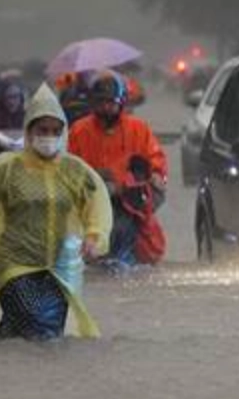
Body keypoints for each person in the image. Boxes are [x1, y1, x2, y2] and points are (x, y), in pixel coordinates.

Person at [0, 83, 111, 341]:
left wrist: (93, 237)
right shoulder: (5, 168)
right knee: (36, 318)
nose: (49, 136)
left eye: (55, 131)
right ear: (29, 131)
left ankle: (3, 351)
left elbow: (97, 207)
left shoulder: (76, 171)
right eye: (43, 130)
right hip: (14, 264)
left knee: (44, 334)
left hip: (60, 268)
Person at [68, 71, 169, 269]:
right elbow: (68, 167)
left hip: (129, 202)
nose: (106, 108)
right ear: (93, 103)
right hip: (91, 202)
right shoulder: (79, 130)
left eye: (111, 103)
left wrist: (155, 175)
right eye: (101, 102)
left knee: (138, 243)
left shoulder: (139, 129)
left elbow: (155, 160)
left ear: (121, 103)